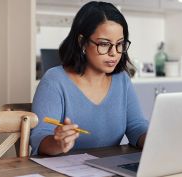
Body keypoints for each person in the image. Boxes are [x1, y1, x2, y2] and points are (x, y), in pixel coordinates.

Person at [30, 1, 149, 156]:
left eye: (120, 44)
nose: (114, 53)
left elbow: (136, 127)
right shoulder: (55, 80)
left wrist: (158, 139)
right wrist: (57, 142)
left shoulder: (122, 80)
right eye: (105, 44)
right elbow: (39, 138)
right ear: (82, 42)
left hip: (107, 168)